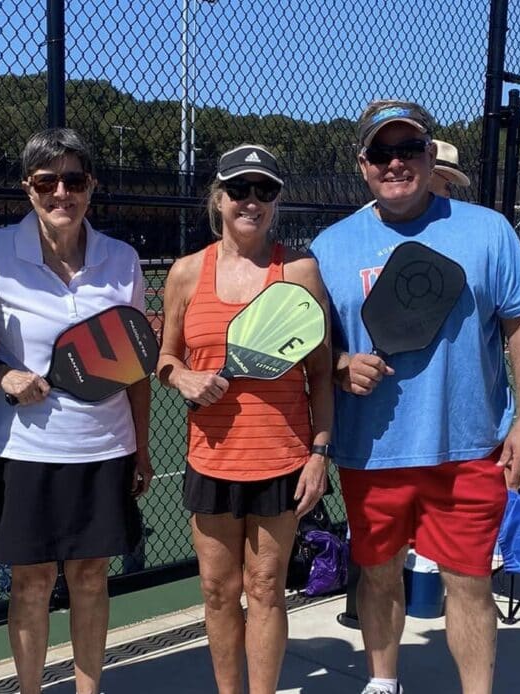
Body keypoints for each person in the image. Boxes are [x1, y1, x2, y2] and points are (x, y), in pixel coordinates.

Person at [309, 100, 520, 694]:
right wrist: (339, 365)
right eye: (381, 152)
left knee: (470, 583)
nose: (395, 163)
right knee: (378, 576)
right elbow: (313, 347)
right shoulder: (329, 246)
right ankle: (383, 682)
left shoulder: (486, 230)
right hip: (371, 452)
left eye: (408, 149)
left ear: (429, 154)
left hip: (469, 448)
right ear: (363, 163)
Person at [0, 127, 153, 694]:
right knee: (31, 582)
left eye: (74, 180)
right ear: (28, 187)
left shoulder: (121, 260)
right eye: (47, 182)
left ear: (90, 186)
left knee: (91, 578)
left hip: (104, 447)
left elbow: (134, 364)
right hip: (23, 451)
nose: (61, 193)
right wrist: (1, 373)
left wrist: (141, 448)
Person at [156, 144, 333, 694]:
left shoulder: (299, 271)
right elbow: (166, 358)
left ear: (276, 201)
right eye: (239, 189)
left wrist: (319, 453)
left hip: (281, 461)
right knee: (216, 591)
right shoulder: (186, 273)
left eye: (265, 190)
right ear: (219, 198)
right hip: (211, 461)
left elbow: (321, 373)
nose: (251, 201)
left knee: (265, 588)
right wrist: (182, 377)